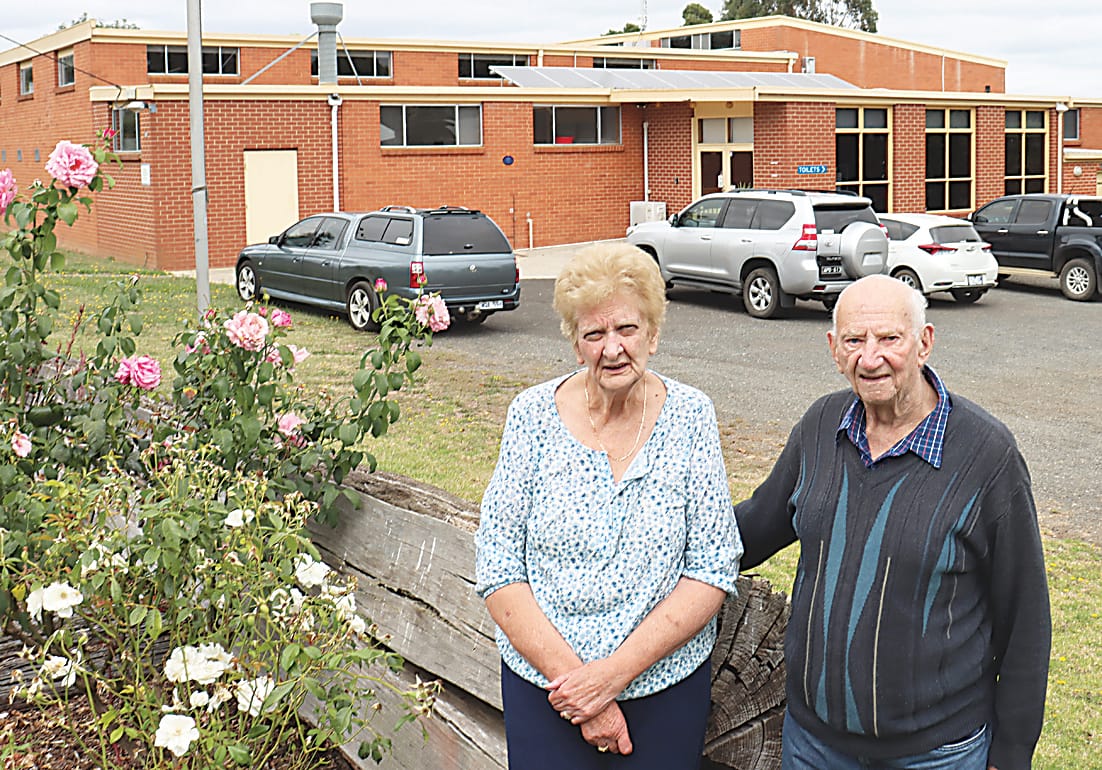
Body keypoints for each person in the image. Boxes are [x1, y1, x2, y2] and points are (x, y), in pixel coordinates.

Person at [735, 274, 1050, 770]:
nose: (870, 357)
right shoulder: (820, 427)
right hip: (813, 745)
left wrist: (1011, 753)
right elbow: (752, 529)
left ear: (924, 343)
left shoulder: (987, 456)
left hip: (937, 753)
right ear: (833, 349)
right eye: (854, 341)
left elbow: (1025, 616)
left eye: (889, 338)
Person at [475, 242, 742, 769]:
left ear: (653, 335)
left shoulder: (691, 416)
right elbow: (498, 566)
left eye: (627, 329)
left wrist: (609, 678)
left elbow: (712, 567)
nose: (612, 348)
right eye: (594, 334)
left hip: (664, 686)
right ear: (576, 345)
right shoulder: (531, 415)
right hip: (548, 687)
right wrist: (580, 687)